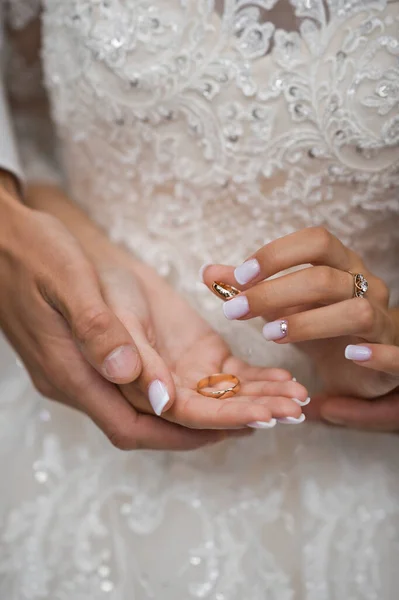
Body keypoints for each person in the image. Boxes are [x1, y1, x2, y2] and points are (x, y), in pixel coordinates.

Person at [0, 1, 398, 598]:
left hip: (356, 484)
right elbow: (22, 111)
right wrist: (12, 228)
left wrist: (382, 331)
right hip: (66, 375)